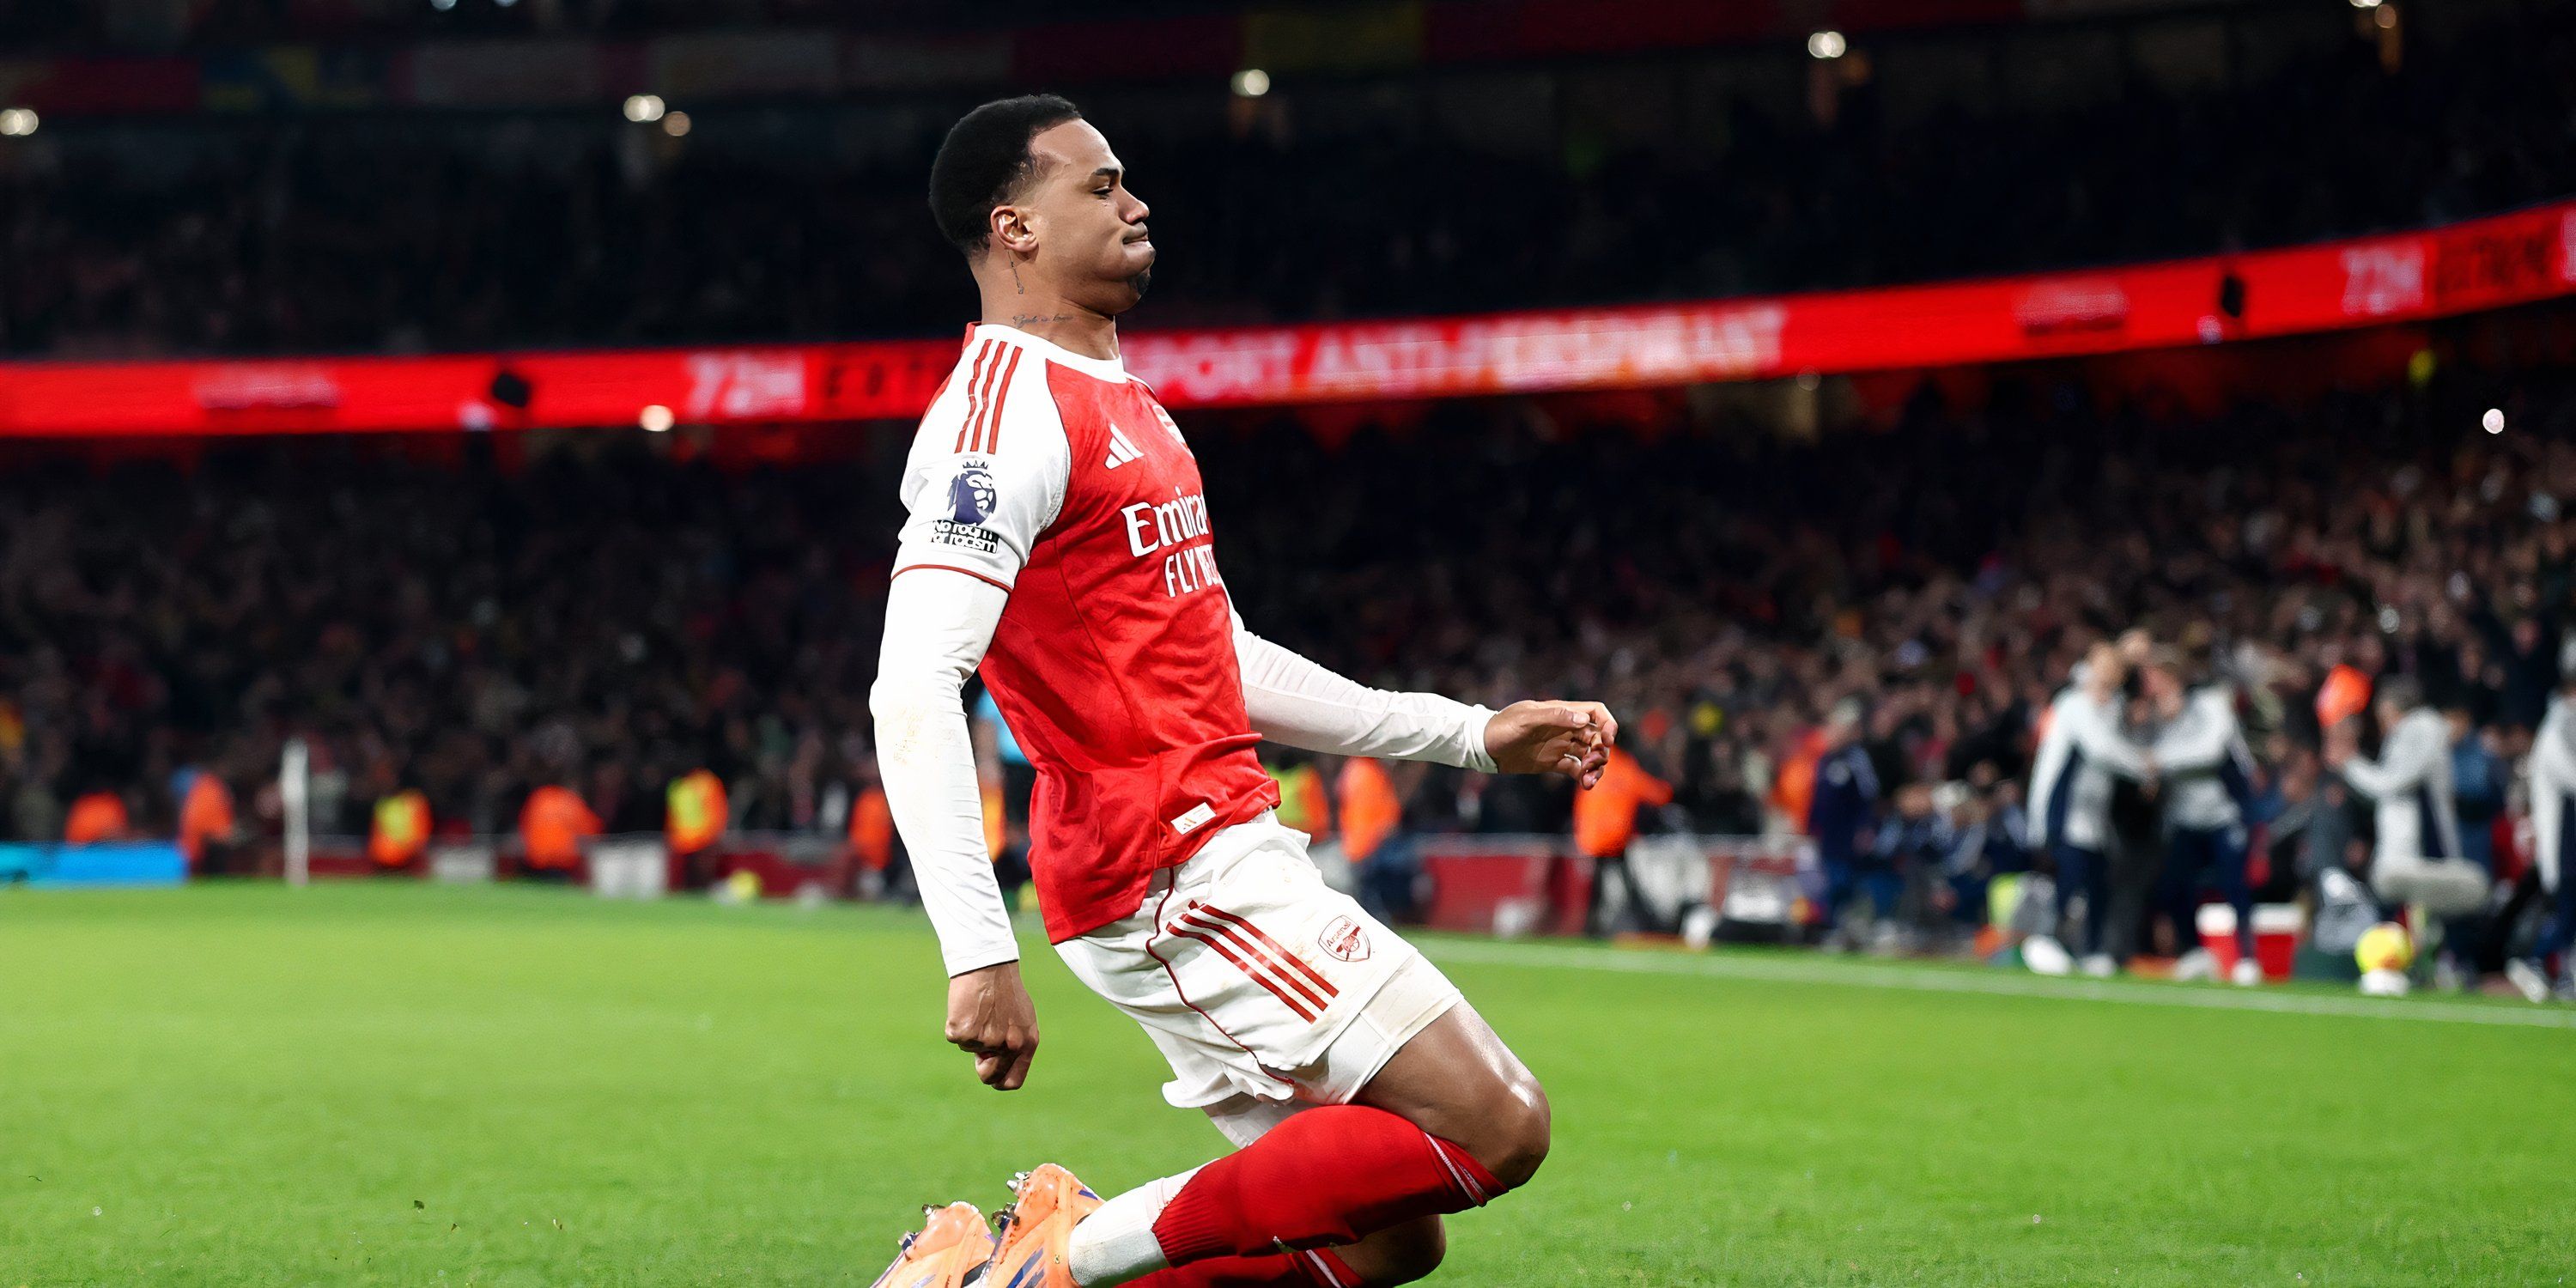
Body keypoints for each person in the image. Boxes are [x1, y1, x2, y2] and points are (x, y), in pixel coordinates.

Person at [868, 95, 1613, 1288]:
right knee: (1497, 1124)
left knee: (1377, 1242)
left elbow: (1217, 655)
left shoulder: (1125, 403)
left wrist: (1471, 736)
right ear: (1012, 226)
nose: (1135, 201)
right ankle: (1065, 1248)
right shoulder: (1000, 421)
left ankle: (1018, 1280)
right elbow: (914, 685)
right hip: (1168, 868)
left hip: (1199, 849)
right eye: (1099, 185)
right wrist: (975, 947)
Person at [2325, 674, 2484, 977]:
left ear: (2395, 708)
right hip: (2415, 844)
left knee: (2430, 909)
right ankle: (2429, 968)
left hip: (2424, 844)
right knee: (2415, 911)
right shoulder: (2413, 732)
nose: (2383, 723)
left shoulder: (2420, 727)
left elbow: (2392, 783)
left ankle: (2450, 967)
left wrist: (2350, 764)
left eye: (2384, 713)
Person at [2022, 643, 2154, 976]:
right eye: (2103, 665)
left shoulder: (2112, 708)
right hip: (2063, 810)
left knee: (2097, 881)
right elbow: (2100, 749)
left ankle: (2094, 950)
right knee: (2070, 876)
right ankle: (2047, 941)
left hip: (2095, 815)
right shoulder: (2073, 703)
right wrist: (2144, 767)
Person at [2144, 653, 2261, 986]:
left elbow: (2211, 750)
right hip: (2185, 817)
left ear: (2171, 677)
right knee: (2174, 886)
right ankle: (2196, 954)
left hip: (2225, 812)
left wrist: (2160, 759)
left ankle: (2246, 960)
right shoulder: (2158, 716)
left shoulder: (2211, 702)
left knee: (2234, 887)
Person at [2510, 671, 2576, 1002]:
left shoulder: (2566, 728)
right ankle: (2534, 959)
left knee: (2567, 909)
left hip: (2568, 841)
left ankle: (2558, 971)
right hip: (2562, 842)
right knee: (2566, 907)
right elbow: (2569, 776)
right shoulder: (2556, 731)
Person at [1570, 740, 1675, 938]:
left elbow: (1582, 805)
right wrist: (1667, 789)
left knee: (1599, 888)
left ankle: (1591, 928)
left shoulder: (1593, 768)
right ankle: (1645, 924)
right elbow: (1655, 793)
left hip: (1595, 839)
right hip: (1613, 839)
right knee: (1624, 886)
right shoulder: (1624, 766)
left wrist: (1582, 835)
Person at [1806, 700, 1880, 943]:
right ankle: (1830, 928)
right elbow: (1819, 800)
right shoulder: (1825, 760)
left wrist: (1866, 828)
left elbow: (1869, 795)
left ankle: (1846, 929)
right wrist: (1810, 827)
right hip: (1827, 837)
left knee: (1843, 883)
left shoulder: (1856, 758)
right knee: (1827, 883)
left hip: (1848, 837)